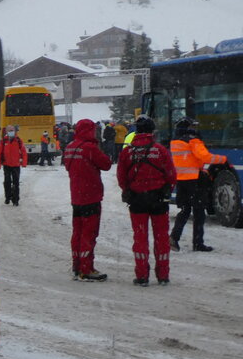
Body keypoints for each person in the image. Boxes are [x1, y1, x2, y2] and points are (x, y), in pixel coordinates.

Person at [117, 115, 177, 286]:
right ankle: (163, 275)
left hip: (137, 200)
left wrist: (129, 190)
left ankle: (142, 275)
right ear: (152, 131)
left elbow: (121, 177)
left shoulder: (127, 152)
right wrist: (166, 189)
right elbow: (171, 175)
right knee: (161, 238)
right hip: (158, 199)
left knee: (140, 238)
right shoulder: (160, 150)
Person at [62, 118, 112, 281]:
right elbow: (106, 164)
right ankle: (86, 268)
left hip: (76, 196)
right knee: (89, 233)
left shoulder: (70, 147)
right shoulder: (90, 148)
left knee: (77, 232)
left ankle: (77, 265)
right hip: (90, 195)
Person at [169, 117, 227, 253]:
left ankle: (174, 237)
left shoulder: (175, 142)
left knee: (185, 210)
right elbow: (205, 157)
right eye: (193, 126)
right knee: (199, 212)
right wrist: (223, 159)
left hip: (181, 180)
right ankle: (198, 243)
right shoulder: (193, 140)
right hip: (195, 181)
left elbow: (187, 159)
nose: (196, 129)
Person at [0, 124, 28, 205]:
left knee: (16, 183)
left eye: (12, 130)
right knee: (7, 182)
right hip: (6, 165)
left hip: (16, 165)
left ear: (15, 131)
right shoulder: (3, 141)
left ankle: (16, 199)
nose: (11, 132)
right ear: (6, 131)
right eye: (9, 130)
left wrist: (24, 163)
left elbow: (24, 152)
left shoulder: (19, 141)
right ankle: (8, 197)